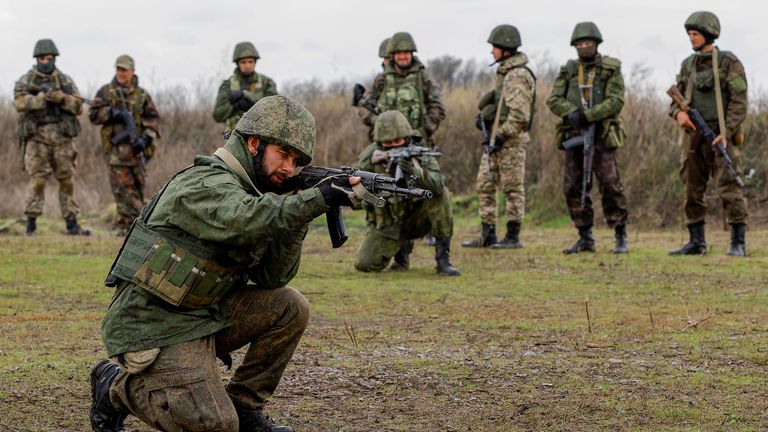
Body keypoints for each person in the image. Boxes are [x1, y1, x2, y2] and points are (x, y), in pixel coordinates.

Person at [89, 96, 360, 432]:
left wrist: (298, 214)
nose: (289, 169)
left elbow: (273, 276)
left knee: (290, 306)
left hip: (204, 313)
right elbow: (245, 218)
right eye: (283, 155)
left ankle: (245, 406)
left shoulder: (256, 196)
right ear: (253, 143)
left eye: (296, 162)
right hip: (155, 325)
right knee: (215, 425)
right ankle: (116, 386)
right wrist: (313, 201)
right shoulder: (203, 184)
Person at [668, 11, 749, 257]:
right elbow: (675, 100)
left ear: (709, 34)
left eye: (696, 34)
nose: (691, 38)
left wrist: (726, 132)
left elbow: (740, 102)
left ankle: (738, 242)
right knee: (692, 188)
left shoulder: (728, 62)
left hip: (719, 134)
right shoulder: (688, 65)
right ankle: (696, 241)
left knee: (729, 186)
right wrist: (677, 114)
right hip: (694, 136)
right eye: (690, 34)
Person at [546, 22, 629, 254]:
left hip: (601, 134)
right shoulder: (568, 70)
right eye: (580, 44)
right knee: (573, 185)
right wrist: (571, 113)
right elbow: (553, 99)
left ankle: (620, 234)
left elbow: (616, 101)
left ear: (596, 44)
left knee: (611, 185)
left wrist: (589, 116)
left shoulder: (610, 69)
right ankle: (585, 236)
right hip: (574, 135)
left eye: (588, 44)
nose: (584, 47)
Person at [354, 110, 460, 276]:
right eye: (388, 143)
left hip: (416, 220)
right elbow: (355, 187)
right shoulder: (370, 156)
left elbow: (437, 183)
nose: (394, 145)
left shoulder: (418, 153)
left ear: (407, 136)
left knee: (442, 195)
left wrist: (413, 172)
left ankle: (443, 260)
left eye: (398, 140)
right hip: (388, 224)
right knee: (365, 264)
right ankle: (400, 256)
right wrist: (370, 196)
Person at [462, 24, 536, 249]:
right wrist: (485, 120)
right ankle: (488, 234)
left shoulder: (517, 75)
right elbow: (500, 105)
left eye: (494, 47)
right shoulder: (504, 73)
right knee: (484, 184)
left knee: (512, 188)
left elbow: (519, 114)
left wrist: (503, 134)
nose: (492, 52)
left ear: (505, 48)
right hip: (495, 140)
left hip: (510, 142)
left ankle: (513, 237)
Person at [13, 38, 89, 236]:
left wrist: (62, 99)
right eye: (43, 58)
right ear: (37, 59)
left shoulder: (65, 81)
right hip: (37, 139)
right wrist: (42, 98)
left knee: (67, 180)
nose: (46, 61)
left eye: (50, 58)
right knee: (38, 180)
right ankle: (31, 224)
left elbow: (79, 107)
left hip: (63, 139)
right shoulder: (26, 80)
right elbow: (20, 103)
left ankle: (72, 224)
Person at [88, 55, 160, 236]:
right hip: (116, 153)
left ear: (133, 71)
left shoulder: (142, 95)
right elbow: (93, 115)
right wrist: (111, 113)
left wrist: (146, 139)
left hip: (138, 152)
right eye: (118, 69)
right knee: (122, 192)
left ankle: (138, 225)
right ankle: (126, 227)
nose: (121, 73)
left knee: (138, 188)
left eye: (124, 70)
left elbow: (153, 120)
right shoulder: (106, 92)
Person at [371, 32, 446, 148]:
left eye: (406, 53)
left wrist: (423, 130)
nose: (402, 57)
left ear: (412, 54)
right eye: (398, 53)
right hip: (385, 143)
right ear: (392, 55)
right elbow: (366, 107)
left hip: (417, 143)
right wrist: (377, 123)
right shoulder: (382, 79)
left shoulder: (424, 78)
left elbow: (438, 107)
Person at [213, 41, 278, 136]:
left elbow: (274, 109)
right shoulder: (227, 85)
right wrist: (235, 106)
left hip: (262, 135)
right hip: (234, 136)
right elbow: (218, 115)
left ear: (255, 62)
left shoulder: (267, 83)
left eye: (250, 62)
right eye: (243, 62)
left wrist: (246, 95)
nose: (247, 66)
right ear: (237, 63)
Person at [358, 37, 390, 141]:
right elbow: (363, 108)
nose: (386, 62)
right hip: (383, 139)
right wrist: (377, 120)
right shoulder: (380, 80)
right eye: (385, 59)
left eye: (389, 58)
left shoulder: (419, 78)